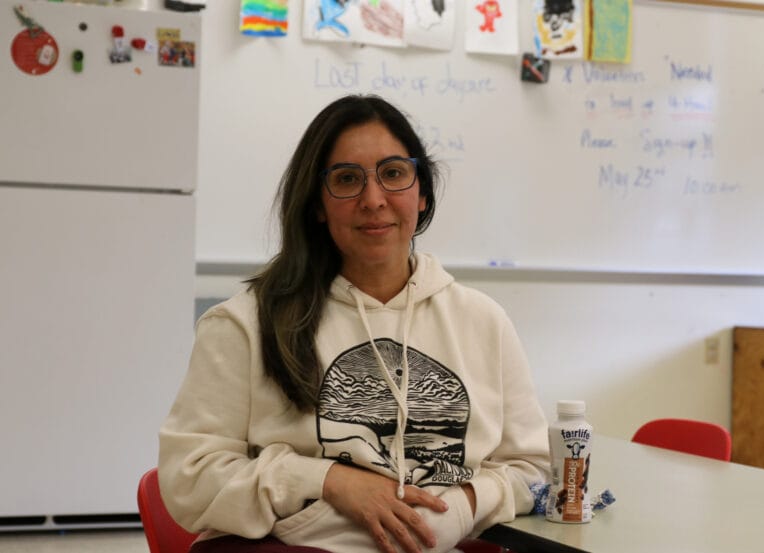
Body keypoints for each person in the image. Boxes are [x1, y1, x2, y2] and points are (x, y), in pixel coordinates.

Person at [158, 94, 551, 553]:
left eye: (393, 173)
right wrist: (328, 479)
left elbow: (534, 469)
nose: (373, 199)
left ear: (422, 193)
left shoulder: (484, 322)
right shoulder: (244, 325)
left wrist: (465, 505)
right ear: (317, 204)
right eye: (347, 179)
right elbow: (189, 479)